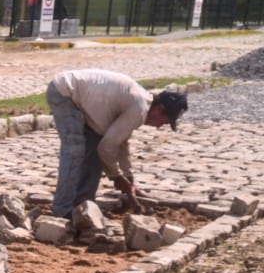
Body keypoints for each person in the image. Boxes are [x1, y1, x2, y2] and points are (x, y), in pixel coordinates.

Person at [46, 69, 187, 218]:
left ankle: (83, 206)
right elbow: (107, 148)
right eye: (163, 122)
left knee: (94, 155)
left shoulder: (140, 104)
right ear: (159, 109)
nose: (159, 126)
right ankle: (61, 211)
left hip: (84, 102)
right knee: (74, 151)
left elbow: (121, 143)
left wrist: (129, 179)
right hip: (65, 92)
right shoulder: (139, 109)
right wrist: (117, 177)